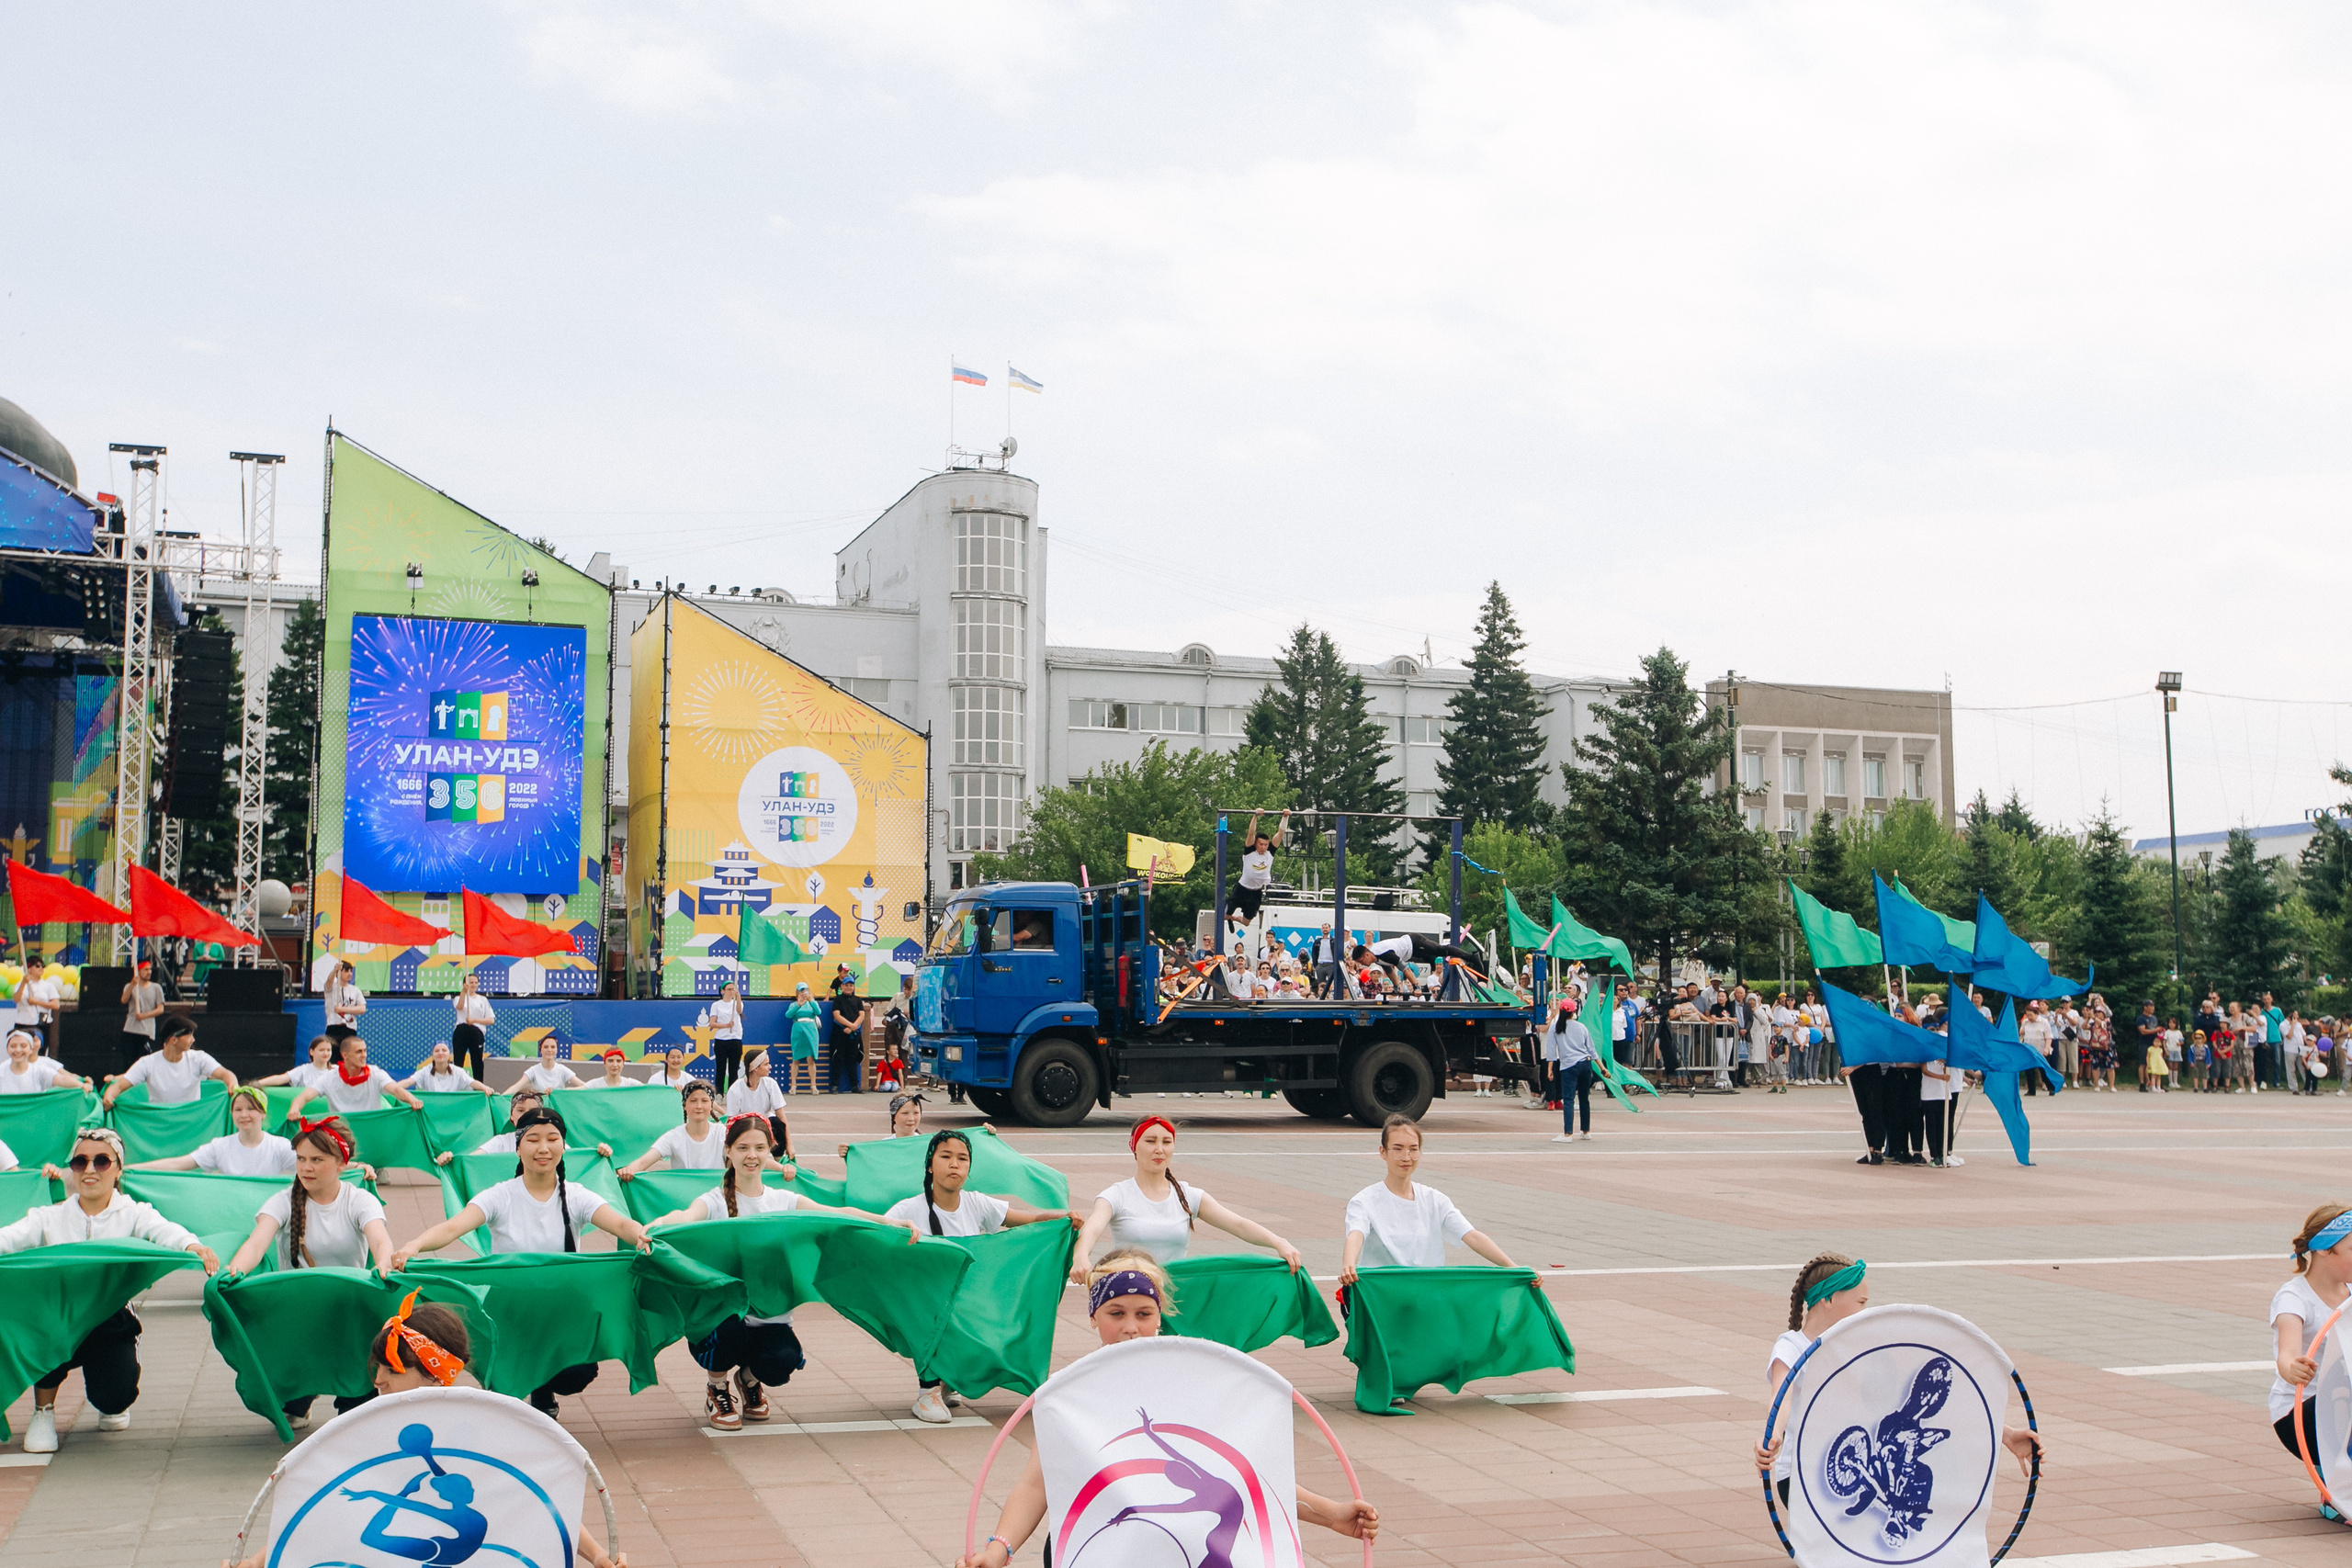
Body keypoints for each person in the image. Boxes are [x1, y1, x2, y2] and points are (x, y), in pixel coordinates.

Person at [956, 1249, 1379, 1568]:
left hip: (1186, 1553)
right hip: (1097, 1549)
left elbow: (1245, 1477)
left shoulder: (1195, 1385)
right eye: (1115, 1312)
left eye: (1143, 1313)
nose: (1130, 1326)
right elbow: (1036, 1484)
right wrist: (1000, 1548)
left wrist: (1334, 1515)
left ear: (1160, 1316)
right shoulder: (1073, 1395)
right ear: (1093, 1316)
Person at [219, 1295, 629, 1568]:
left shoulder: (491, 1425)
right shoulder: (372, 1426)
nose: (377, 1380)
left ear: (435, 1377)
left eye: (393, 1370)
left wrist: (596, 1556)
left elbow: (538, 1498)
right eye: (377, 1367)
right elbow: (321, 1503)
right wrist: (257, 1561)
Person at [645, 1113, 914, 1427]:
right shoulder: (714, 1202)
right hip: (722, 1317)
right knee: (727, 1334)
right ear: (728, 1151)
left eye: (760, 1148)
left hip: (767, 1317)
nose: (752, 1156)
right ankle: (717, 1387)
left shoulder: (783, 1201)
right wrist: (656, 1226)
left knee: (782, 1361)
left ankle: (747, 1380)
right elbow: (685, 1216)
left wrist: (889, 1222)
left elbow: (838, 1214)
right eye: (743, 1147)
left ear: (771, 1151)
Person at [390, 1106, 651, 1416]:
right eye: (533, 1140)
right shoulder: (501, 1195)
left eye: (553, 1139)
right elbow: (453, 1227)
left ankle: (542, 1387)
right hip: (511, 1306)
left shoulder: (576, 1195)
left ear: (563, 1146)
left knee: (577, 1375)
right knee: (504, 1381)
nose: (543, 1148)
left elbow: (620, 1224)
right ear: (517, 1148)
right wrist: (414, 1245)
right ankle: (515, 1396)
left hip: (560, 1305)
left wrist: (640, 1234)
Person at [1754, 1256, 2041, 1502]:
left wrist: (2005, 1435)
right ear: (1828, 1299)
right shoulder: (1792, 1348)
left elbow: (1919, 1403)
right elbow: (1783, 1398)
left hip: (1859, 1472)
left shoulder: (1865, 1350)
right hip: (1802, 1475)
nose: (1865, 1312)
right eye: (1861, 1302)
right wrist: (1774, 1435)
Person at [5, 1129, 220, 1453]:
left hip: (110, 1316)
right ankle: (43, 1411)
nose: (90, 1170)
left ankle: (112, 1393)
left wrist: (192, 1245)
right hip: (59, 1317)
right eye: (80, 1161)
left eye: (101, 1161)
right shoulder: (49, 1217)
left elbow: (163, 1230)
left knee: (115, 1399)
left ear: (118, 1169)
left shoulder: (134, 1212)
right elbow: (11, 1237)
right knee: (42, 1327)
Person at [884, 1130, 1081, 1424]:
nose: (954, 1164)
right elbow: (880, 1236)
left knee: (1001, 1329)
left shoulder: (976, 1203)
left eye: (962, 1159)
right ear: (930, 1165)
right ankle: (928, 1390)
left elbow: (1025, 1221)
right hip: (926, 1301)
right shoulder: (909, 1208)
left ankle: (949, 1378)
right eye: (946, 1157)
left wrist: (1062, 1218)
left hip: (971, 1298)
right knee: (932, 1309)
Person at [223, 1117, 393, 1424]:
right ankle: (301, 1394)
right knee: (289, 1401)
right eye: (300, 1159)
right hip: (297, 1311)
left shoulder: (359, 1200)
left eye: (317, 1160)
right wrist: (235, 1271)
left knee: (355, 1412)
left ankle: (354, 1397)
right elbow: (256, 1243)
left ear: (342, 1163)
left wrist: (383, 1263)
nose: (306, 1167)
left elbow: (380, 1241)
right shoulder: (283, 1201)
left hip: (347, 1310)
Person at [1338, 1114, 1532, 1373]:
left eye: (1413, 1149)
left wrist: (1513, 1268)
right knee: (1390, 1363)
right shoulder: (1365, 1200)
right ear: (1382, 1152)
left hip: (1426, 1295)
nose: (1406, 1157)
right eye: (1397, 1149)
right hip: (1383, 1296)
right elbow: (1356, 1234)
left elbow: (1471, 1235)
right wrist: (1348, 1264)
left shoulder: (1434, 1199)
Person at [1069, 1116, 1303, 1280]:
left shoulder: (1189, 1196)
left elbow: (1239, 1224)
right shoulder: (1116, 1195)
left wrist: (1280, 1243)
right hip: (1131, 1296)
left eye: (1166, 1142)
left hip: (1176, 1297)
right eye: (1150, 1141)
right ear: (1134, 1147)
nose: (1159, 1149)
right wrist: (1080, 1258)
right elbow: (1091, 1230)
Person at [2270, 1204, 2352, 1517]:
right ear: (2323, 1251)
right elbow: (2287, 1353)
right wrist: (2293, 1366)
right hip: (2300, 1414)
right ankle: (2336, 1490)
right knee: (2341, 1396)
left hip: (2343, 1406)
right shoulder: (2294, 1298)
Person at [133, 1085, 296, 1175]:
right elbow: (179, 1163)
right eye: (238, 1110)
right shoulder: (221, 1146)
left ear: (262, 1113)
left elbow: (307, 1170)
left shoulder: (279, 1146)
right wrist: (130, 1170)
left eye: (250, 1109)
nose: (244, 1115)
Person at [104, 1017, 235, 1108]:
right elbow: (120, 1086)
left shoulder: (199, 1058)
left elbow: (225, 1074)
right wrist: (109, 1096)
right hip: (159, 1123)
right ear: (174, 1040)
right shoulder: (147, 1063)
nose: (193, 1040)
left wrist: (232, 1085)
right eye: (189, 1035)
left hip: (190, 1123)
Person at [288, 1034, 424, 1119]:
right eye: (359, 1052)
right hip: (342, 1132)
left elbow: (395, 1089)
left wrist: (412, 1100)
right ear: (344, 1055)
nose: (364, 1055)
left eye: (365, 1051)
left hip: (371, 1129)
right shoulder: (329, 1077)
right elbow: (305, 1096)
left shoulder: (375, 1073)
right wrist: (294, 1110)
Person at [618, 1081, 728, 1178]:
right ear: (685, 1106)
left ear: (711, 1106)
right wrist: (628, 1171)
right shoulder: (674, 1136)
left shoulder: (722, 1133)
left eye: (704, 1101)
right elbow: (643, 1162)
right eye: (693, 1101)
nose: (699, 1106)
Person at [1225, 810, 1289, 953]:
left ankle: (1233, 918)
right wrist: (1255, 816)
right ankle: (1229, 916)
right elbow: (1250, 833)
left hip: (1256, 892)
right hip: (1242, 889)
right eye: (1261, 844)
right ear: (1256, 844)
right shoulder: (1249, 851)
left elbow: (1280, 833)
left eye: (1266, 845)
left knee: (1247, 922)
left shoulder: (1270, 853)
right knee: (1224, 916)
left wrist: (1285, 817)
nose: (1264, 847)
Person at [1545, 998, 1599, 1142]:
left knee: (1568, 1099)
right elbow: (1591, 1049)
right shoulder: (1581, 1027)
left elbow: (1551, 1050)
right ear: (1574, 1012)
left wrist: (1549, 1069)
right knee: (1584, 1098)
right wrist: (1602, 1067)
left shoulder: (1555, 1027)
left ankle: (1568, 1133)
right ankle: (1586, 1131)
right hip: (1585, 1064)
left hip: (1568, 1065)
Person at [840, 1091, 930, 1156]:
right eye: (905, 1113)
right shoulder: (884, 1146)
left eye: (916, 1113)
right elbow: (867, 1167)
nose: (911, 1119)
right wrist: (850, 1154)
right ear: (894, 1117)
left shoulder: (928, 1145)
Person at [0, 1026, 84, 1094]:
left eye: (23, 1046)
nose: (18, 1050)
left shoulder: (40, 1070)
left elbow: (61, 1079)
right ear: (7, 1049)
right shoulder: (2, 1070)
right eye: (13, 1046)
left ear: (31, 1049)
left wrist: (82, 1085)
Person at [249, 1034, 338, 1095]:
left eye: (328, 1050)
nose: (326, 1053)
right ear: (311, 1052)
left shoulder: (337, 1070)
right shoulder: (303, 1070)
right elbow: (281, 1079)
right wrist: (257, 1084)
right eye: (321, 1050)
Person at [119, 959, 166, 1071]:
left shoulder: (156, 988)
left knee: (143, 1062)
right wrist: (132, 985)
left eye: (150, 969)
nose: (149, 972)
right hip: (130, 1029)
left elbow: (160, 1009)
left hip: (146, 1031)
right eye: (146, 969)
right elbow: (124, 1000)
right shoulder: (129, 986)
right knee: (128, 1061)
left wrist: (144, 1016)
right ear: (139, 971)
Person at [447, 974, 497, 1080]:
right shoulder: (458, 998)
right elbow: (459, 1007)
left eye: (475, 983)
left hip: (477, 1031)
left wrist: (474, 1020)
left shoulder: (483, 1000)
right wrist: (464, 992)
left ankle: (479, 1086)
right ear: (465, 984)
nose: (473, 985)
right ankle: (456, 1084)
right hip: (461, 1030)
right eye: (471, 982)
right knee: (458, 1060)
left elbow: (491, 1020)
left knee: (477, 1061)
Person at [403, 1040, 494, 1095]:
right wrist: (394, 1088)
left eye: (444, 1050)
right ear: (432, 1055)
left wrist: (486, 1088)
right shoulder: (425, 1071)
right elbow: (409, 1081)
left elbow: (472, 1083)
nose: (440, 1053)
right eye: (437, 1051)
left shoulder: (458, 1071)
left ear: (449, 1055)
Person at [725, 1046, 787, 1123]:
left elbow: (781, 1116)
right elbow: (731, 1120)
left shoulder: (771, 1084)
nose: (770, 1067)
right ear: (755, 1068)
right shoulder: (736, 1088)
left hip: (765, 1125)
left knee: (776, 1123)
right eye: (766, 1064)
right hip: (744, 1126)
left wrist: (786, 1136)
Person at [11, 964, 61, 1056]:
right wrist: (23, 983)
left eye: (42, 966)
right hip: (22, 1023)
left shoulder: (48, 985)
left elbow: (55, 1005)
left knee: (38, 1050)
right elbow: (16, 999)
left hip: (40, 1023)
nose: (41, 968)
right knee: (21, 1051)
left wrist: (36, 1002)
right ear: (29, 969)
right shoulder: (19, 985)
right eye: (37, 966)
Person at [707, 980, 747, 1095]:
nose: (731, 992)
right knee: (721, 1068)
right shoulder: (716, 1005)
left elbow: (739, 1010)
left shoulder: (736, 1003)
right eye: (729, 989)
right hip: (721, 1040)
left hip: (735, 1039)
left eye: (733, 989)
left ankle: (732, 1094)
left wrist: (738, 996)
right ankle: (719, 1093)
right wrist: (726, 1025)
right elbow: (712, 1023)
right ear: (722, 991)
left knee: (733, 1070)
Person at [786, 982, 823, 1094]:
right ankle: (793, 1086)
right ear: (797, 992)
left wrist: (811, 1000)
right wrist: (798, 1004)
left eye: (805, 990)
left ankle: (813, 1086)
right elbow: (788, 1015)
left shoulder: (812, 1003)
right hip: (798, 1031)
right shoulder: (794, 1004)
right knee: (795, 1058)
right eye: (801, 990)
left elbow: (818, 1012)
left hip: (811, 1031)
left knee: (810, 1059)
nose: (803, 993)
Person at [829, 982, 866, 1094]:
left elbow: (862, 1015)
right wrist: (850, 1026)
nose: (849, 987)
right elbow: (837, 1015)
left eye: (851, 985)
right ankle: (835, 1086)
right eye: (846, 985)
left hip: (853, 1034)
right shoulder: (838, 1000)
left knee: (853, 1059)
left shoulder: (858, 1000)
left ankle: (854, 1086)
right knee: (838, 1058)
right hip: (840, 1033)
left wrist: (853, 1027)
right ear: (842, 987)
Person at [322, 961, 368, 1044]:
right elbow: (329, 982)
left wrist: (343, 1009)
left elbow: (362, 1009)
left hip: (350, 1028)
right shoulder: (331, 987)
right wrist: (335, 970)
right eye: (346, 971)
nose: (350, 974)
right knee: (333, 1054)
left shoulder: (355, 990)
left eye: (351, 971)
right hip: (334, 1026)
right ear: (338, 973)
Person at [520, 1036, 584, 1095]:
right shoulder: (533, 1070)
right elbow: (517, 1086)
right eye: (546, 1047)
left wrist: (568, 1090)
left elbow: (584, 1086)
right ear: (540, 1049)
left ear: (556, 1050)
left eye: (553, 1047)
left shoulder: (562, 1069)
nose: (549, 1050)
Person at [579, 1048, 643, 1089]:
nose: (615, 1065)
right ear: (604, 1064)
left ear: (623, 1064)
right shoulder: (595, 1085)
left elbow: (648, 1091)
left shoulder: (631, 1084)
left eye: (618, 1061)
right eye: (610, 1061)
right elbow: (578, 1092)